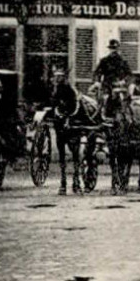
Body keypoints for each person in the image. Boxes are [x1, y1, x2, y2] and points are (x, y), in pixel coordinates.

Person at [49, 65, 82, 195]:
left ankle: (76, 181)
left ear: (64, 78)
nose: (57, 79)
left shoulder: (70, 91)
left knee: (75, 153)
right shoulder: (55, 91)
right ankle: (63, 183)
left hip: (72, 123)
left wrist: (68, 118)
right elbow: (54, 105)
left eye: (60, 77)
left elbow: (73, 106)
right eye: (56, 77)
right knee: (62, 155)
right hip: (60, 123)